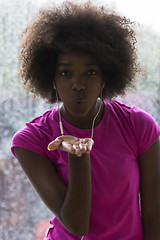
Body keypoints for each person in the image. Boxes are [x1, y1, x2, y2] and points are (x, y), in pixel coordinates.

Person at [11, 1, 160, 240]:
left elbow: (154, 216)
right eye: (66, 73)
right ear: (51, 77)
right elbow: (77, 226)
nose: (78, 84)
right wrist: (78, 157)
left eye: (90, 72)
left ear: (106, 76)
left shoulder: (138, 126)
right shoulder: (32, 140)